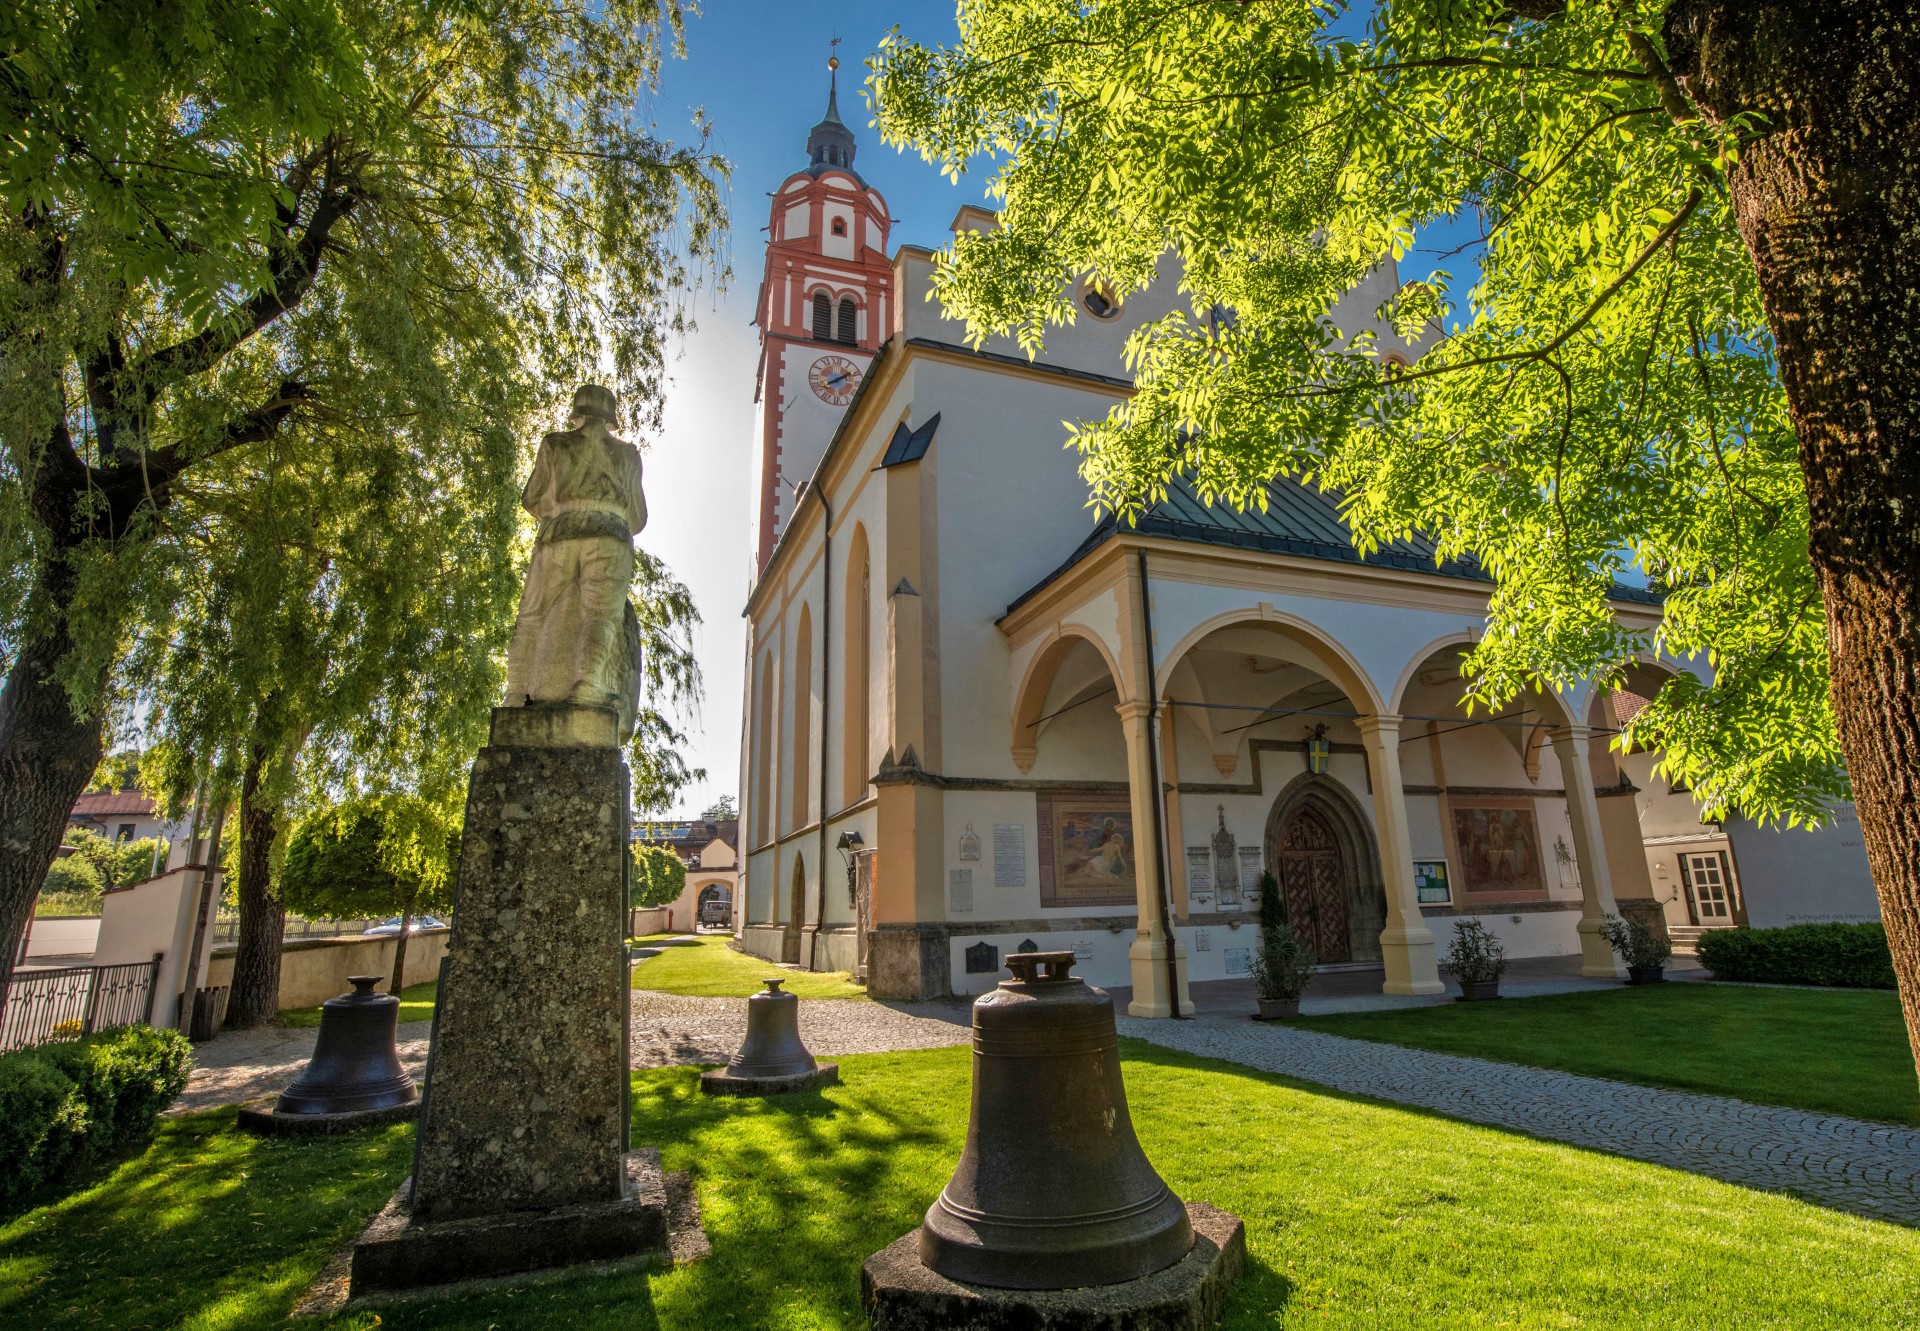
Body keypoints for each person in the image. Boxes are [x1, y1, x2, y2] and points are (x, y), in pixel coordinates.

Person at [503, 384, 645, 738]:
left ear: (577, 412)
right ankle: (587, 686)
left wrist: (562, 507)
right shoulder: (627, 455)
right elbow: (639, 516)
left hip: (559, 535)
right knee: (600, 616)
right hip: (610, 536)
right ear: (611, 418)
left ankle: (515, 694)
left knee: (533, 616)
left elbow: (532, 497)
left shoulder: (555, 444)